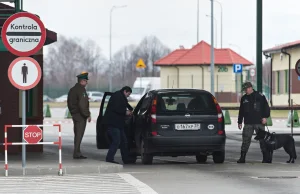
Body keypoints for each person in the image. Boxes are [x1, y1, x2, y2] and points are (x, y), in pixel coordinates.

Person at [237, 81, 271, 163]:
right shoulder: (244, 98)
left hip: (259, 122)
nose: (245, 91)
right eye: (244, 90)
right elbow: (241, 111)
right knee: (246, 140)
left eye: (246, 89)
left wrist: (265, 117)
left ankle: (265, 158)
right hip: (248, 123)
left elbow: (266, 107)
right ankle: (242, 157)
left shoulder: (260, 96)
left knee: (262, 140)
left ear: (250, 88)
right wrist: (239, 121)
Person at [102, 86, 134, 164]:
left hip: (119, 124)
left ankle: (126, 159)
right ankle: (109, 158)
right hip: (113, 123)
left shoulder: (121, 97)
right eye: (128, 94)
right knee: (116, 141)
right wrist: (125, 112)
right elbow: (116, 108)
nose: (128, 96)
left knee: (124, 141)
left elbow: (126, 104)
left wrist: (131, 109)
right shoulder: (117, 96)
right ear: (125, 91)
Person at [67, 72, 91, 159]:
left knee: (77, 134)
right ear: (82, 81)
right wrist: (87, 114)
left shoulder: (73, 89)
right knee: (79, 135)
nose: (87, 83)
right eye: (86, 81)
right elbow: (82, 105)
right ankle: (77, 153)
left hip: (75, 114)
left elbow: (70, 103)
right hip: (80, 116)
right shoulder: (81, 90)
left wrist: (73, 112)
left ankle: (77, 152)